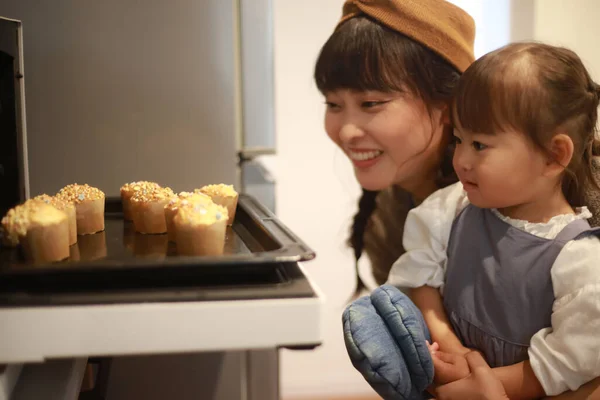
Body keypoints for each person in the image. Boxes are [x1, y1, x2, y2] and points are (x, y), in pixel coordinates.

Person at [314, 0, 600, 399]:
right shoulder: (405, 217)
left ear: (447, 105)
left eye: (371, 103)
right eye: (332, 104)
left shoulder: (579, 216)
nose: (345, 131)